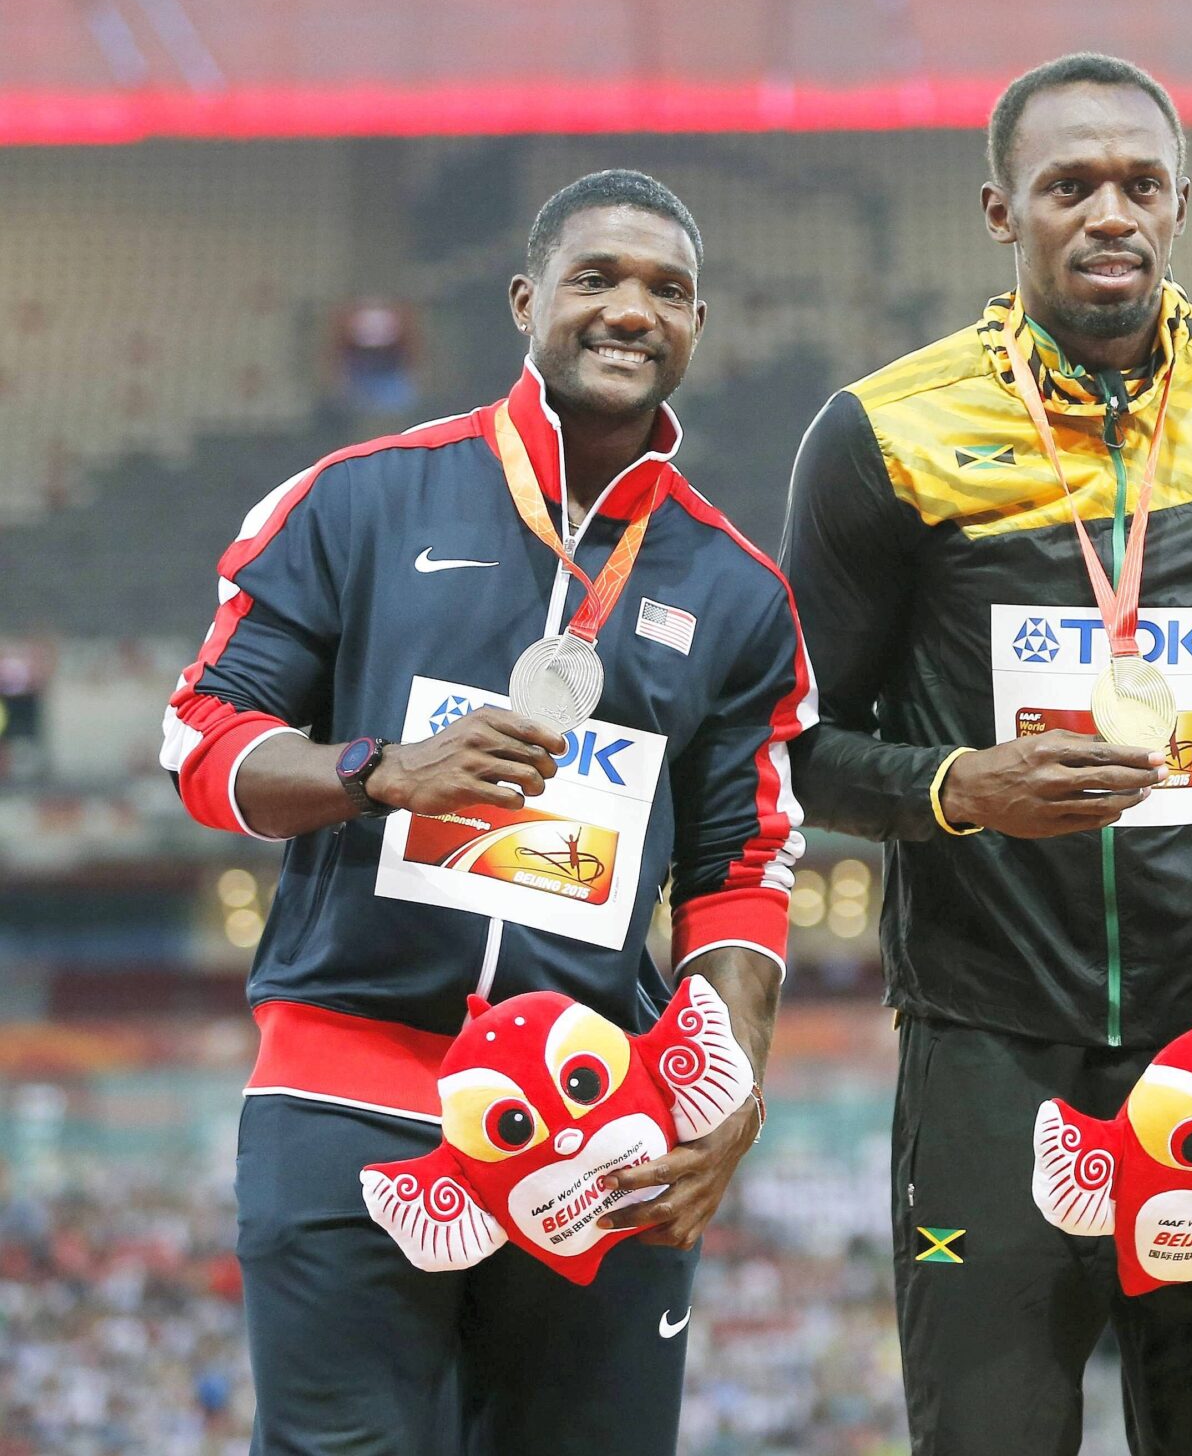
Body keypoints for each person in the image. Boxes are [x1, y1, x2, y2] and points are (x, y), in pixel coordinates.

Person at [779, 52, 1192, 1454]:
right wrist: (957, 790)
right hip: (987, 1047)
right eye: (1069, 185)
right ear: (1002, 211)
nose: (1108, 211)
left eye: (1139, 182)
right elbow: (792, 746)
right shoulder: (885, 435)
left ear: (1184, 200)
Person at [162, 170, 809, 1453]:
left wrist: (726, 1093)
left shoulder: (736, 588)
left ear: (696, 327)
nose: (632, 309)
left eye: (666, 290)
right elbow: (201, 738)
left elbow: (743, 867)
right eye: (597, 278)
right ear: (526, 301)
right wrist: (380, 771)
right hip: (349, 1094)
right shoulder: (358, 498)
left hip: (603, 1121)